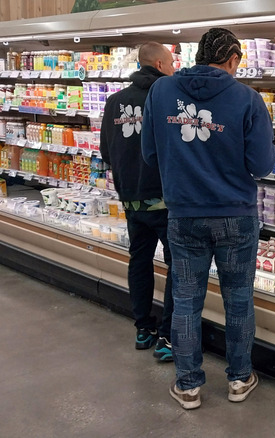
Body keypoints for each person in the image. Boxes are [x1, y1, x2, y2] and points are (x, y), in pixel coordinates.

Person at [141, 28, 275, 410]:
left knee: (185, 300)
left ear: (198, 55)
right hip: (235, 216)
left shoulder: (161, 91)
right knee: (237, 299)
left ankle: (187, 385)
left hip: (184, 215)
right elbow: (262, 165)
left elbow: (150, 154)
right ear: (232, 59)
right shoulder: (247, 99)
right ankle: (238, 378)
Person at [100, 42, 176, 361]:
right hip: (164, 202)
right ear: (159, 64)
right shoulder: (167, 100)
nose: (174, 69)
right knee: (178, 266)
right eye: (172, 64)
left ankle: (143, 328)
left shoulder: (115, 101)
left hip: (131, 201)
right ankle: (168, 337)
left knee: (139, 261)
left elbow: (106, 153)